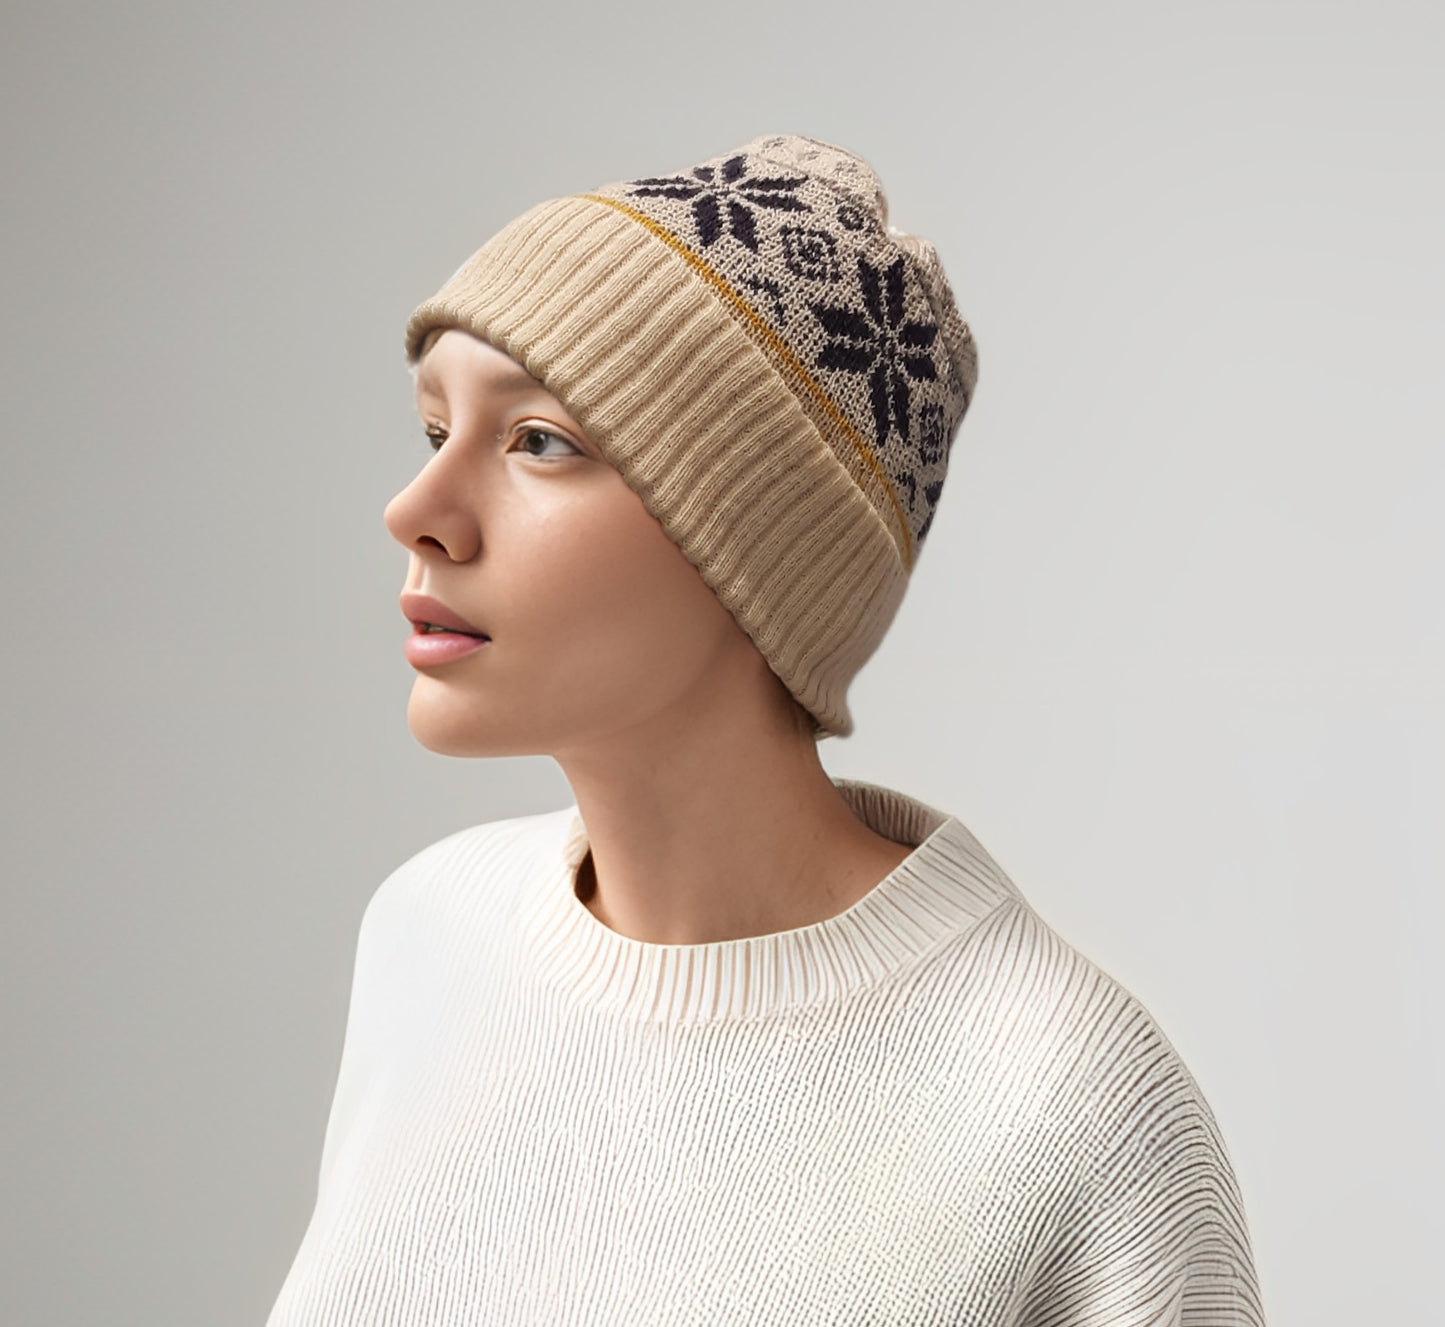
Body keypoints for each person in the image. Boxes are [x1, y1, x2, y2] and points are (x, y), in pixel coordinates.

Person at [267, 135, 1265, 1325]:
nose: (416, 511)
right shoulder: (430, 932)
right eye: (438, 433)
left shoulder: (1069, 1107)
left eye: (540, 440)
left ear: (760, 553)